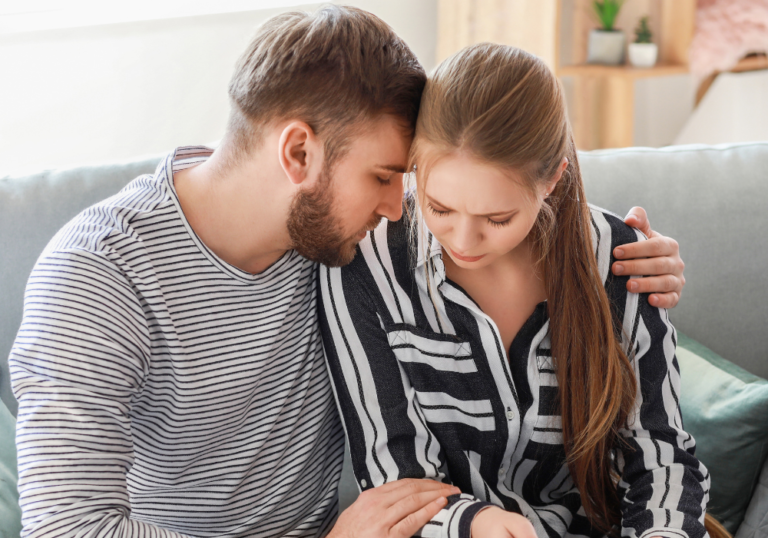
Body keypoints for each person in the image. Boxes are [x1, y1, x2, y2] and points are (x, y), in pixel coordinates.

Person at [9, 7, 685, 538]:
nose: (403, 210)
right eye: (386, 178)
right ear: (298, 151)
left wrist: (620, 254)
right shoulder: (97, 277)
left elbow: (493, 194)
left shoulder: (339, 243)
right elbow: (70, 526)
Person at [318, 43, 709, 538]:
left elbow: (661, 459)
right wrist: (474, 524)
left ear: (551, 180)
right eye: (439, 209)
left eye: (497, 218)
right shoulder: (366, 264)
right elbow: (394, 477)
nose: (462, 241)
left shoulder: (622, 259)